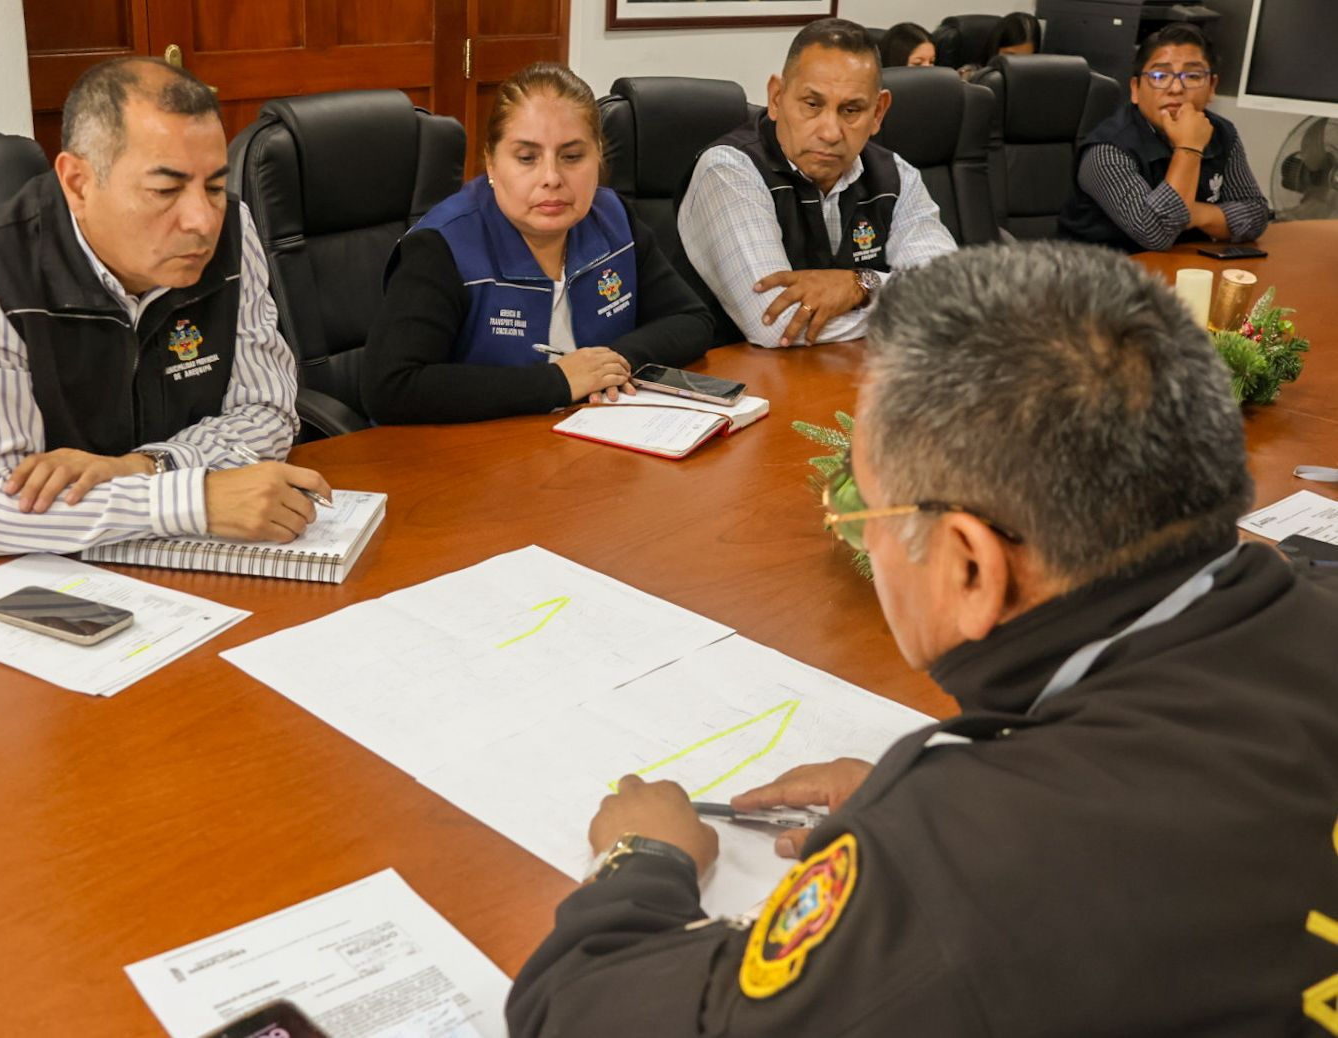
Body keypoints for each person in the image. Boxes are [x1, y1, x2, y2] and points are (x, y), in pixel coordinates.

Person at [505, 241, 1338, 1035]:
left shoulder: (976, 870)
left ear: (971, 566)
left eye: (864, 510)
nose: (861, 535)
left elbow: (580, 1014)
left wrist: (641, 860)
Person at [0, 57, 329, 556]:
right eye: (165, 190)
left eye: (215, 186)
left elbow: (267, 413)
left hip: (167, 555)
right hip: (8, 570)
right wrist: (193, 500)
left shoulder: (232, 229)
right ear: (78, 183)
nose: (201, 220)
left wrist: (147, 466)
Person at [359, 63, 714, 424]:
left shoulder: (613, 219)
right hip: (478, 447)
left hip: (597, 432)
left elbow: (691, 320)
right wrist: (558, 381)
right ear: (491, 163)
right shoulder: (442, 247)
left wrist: (606, 364)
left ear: (598, 156)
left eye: (572, 156)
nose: (551, 178)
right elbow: (391, 388)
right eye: (527, 158)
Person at [678, 18, 956, 349]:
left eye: (851, 110)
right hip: (740, 375)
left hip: (852, 369)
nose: (830, 132)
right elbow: (777, 324)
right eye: (812, 105)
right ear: (777, 98)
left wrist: (861, 284)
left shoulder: (896, 176)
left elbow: (950, 293)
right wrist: (904, 303)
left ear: (878, 112)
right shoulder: (729, 169)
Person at [1059, 24, 1270, 252]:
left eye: (1192, 76)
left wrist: (1190, 212)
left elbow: (1256, 214)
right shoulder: (1107, 149)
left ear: (1211, 87)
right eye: (1160, 76)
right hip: (1102, 269)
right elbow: (1156, 234)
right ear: (1135, 89)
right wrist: (1189, 147)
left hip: (1183, 263)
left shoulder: (1221, 132)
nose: (1176, 88)